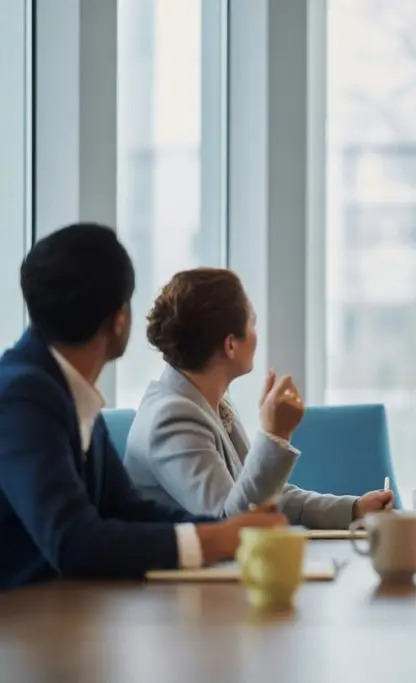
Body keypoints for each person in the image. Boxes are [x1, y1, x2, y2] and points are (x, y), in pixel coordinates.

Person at [0, 224, 285, 590]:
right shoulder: (23, 397)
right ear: (119, 320)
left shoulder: (62, 388)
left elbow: (126, 510)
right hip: (22, 628)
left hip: (62, 613)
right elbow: (72, 541)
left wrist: (226, 531)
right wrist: (218, 540)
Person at [123, 268, 392, 529]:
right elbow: (232, 522)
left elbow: (262, 496)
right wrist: (275, 435)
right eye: (252, 322)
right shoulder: (172, 417)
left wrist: (354, 509)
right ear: (230, 345)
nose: (256, 334)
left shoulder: (211, 403)